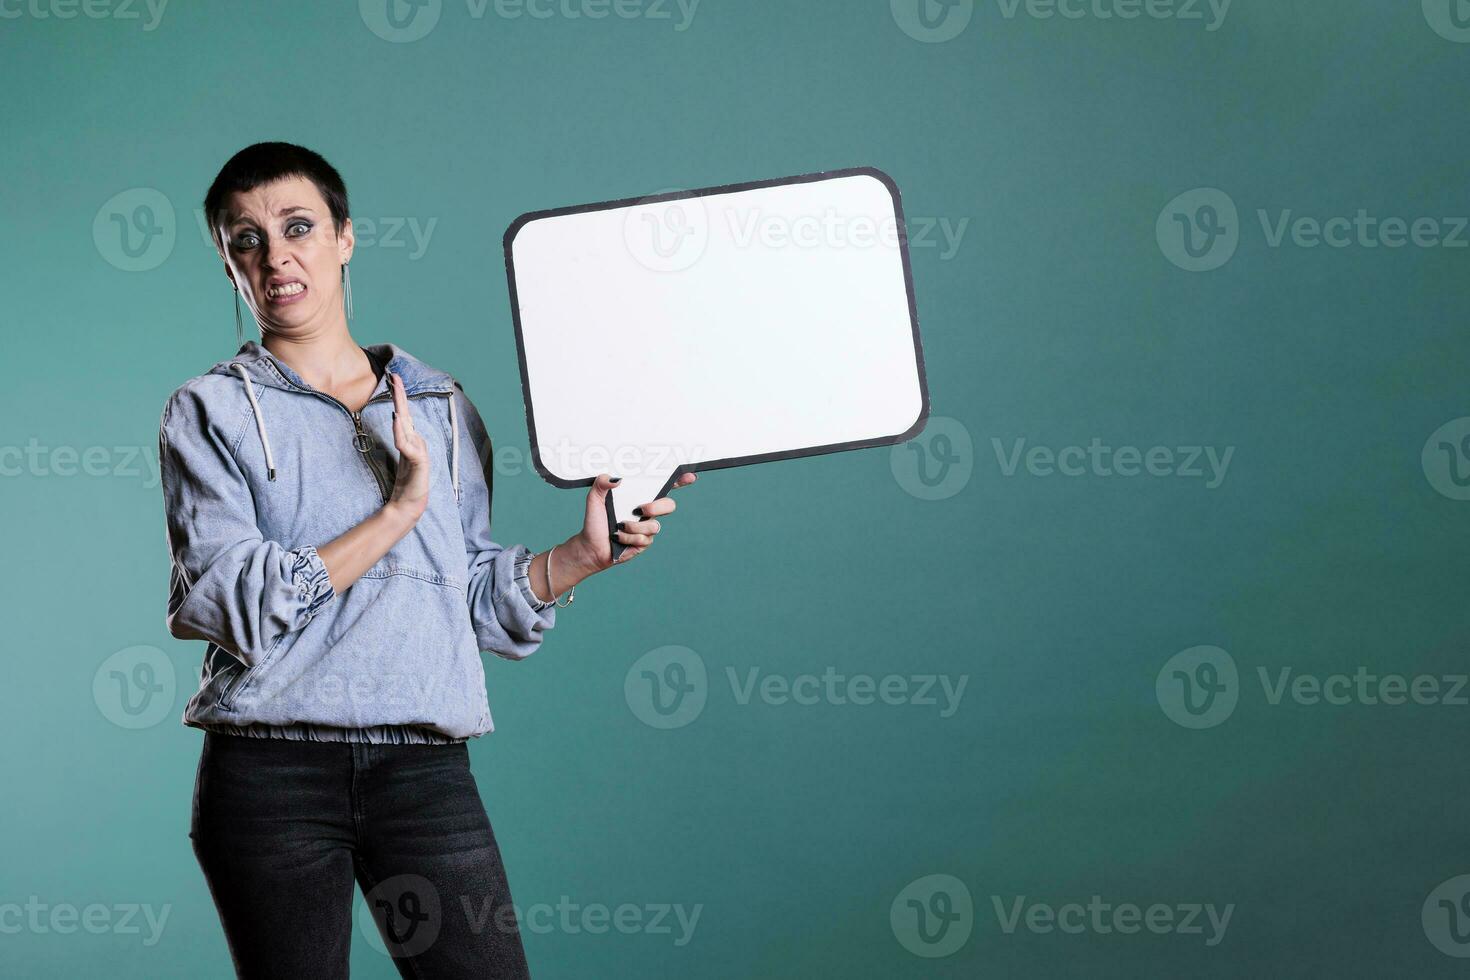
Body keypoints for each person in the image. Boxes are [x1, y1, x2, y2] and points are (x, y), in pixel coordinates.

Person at [159, 141, 697, 979]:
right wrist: (400, 509)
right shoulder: (210, 411)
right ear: (229, 263)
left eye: (298, 227)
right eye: (246, 240)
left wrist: (583, 557)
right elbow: (231, 599)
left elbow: (470, 595)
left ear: (345, 236)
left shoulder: (441, 404)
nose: (276, 255)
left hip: (423, 772)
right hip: (270, 775)